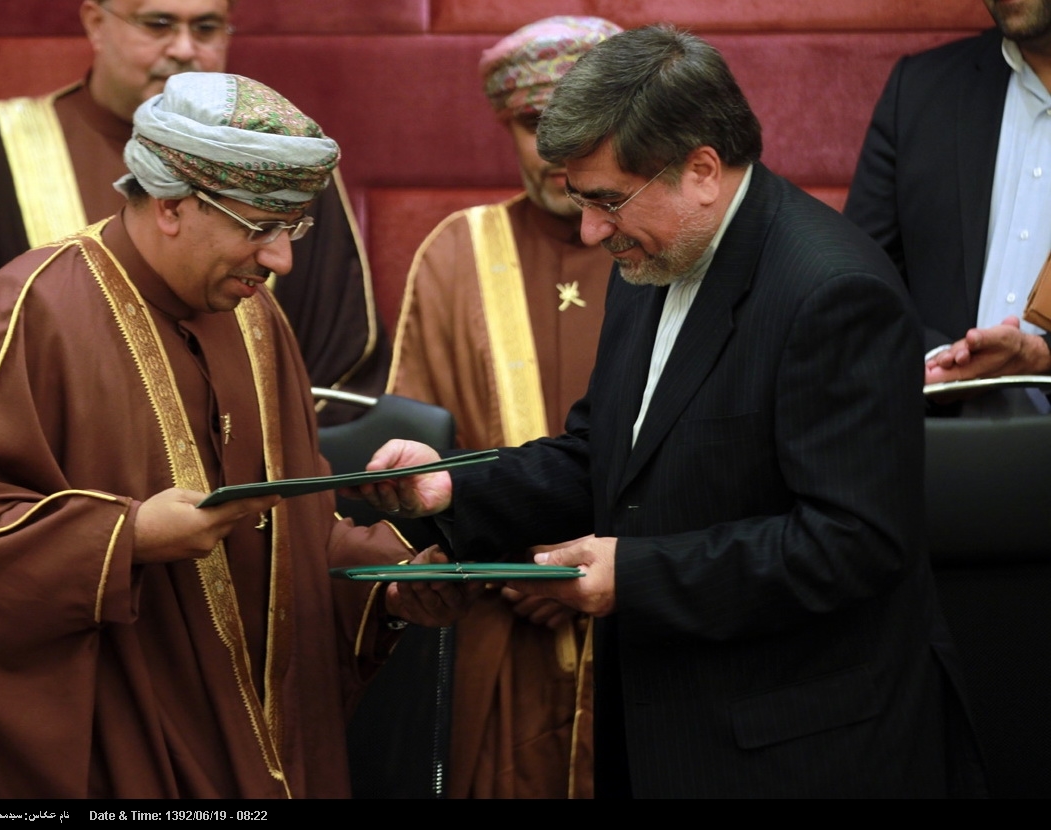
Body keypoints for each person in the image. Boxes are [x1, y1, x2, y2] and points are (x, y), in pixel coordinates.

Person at [358, 26, 986, 798]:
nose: (590, 231)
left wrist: (638, 575)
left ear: (700, 169)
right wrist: (454, 489)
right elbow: (603, 456)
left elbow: (853, 544)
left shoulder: (831, 292)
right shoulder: (653, 251)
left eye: (605, 201)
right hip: (668, 734)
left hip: (796, 752)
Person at [0, 72, 449, 799]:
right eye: (259, 227)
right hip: (116, 748)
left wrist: (386, 582)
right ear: (170, 203)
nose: (281, 260)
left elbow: (288, 537)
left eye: (294, 227)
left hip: (264, 752)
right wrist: (126, 537)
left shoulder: (258, 320)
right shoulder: (31, 311)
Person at [0, 0, 388, 441]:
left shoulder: (281, 164)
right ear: (95, 23)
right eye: (158, 23)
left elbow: (339, 360)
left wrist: (284, 487)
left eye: (208, 27)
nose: (184, 49)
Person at [387, 16, 619, 799]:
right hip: (492, 622)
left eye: (582, 119)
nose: (556, 148)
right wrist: (515, 559)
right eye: (533, 123)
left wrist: (614, 548)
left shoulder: (667, 245)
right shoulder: (454, 253)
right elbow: (411, 471)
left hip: (649, 617)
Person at [845, 0, 1051, 412]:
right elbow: (855, 284)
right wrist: (943, 361)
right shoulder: (920, 90)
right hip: (939, 442)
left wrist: (1043, 359)